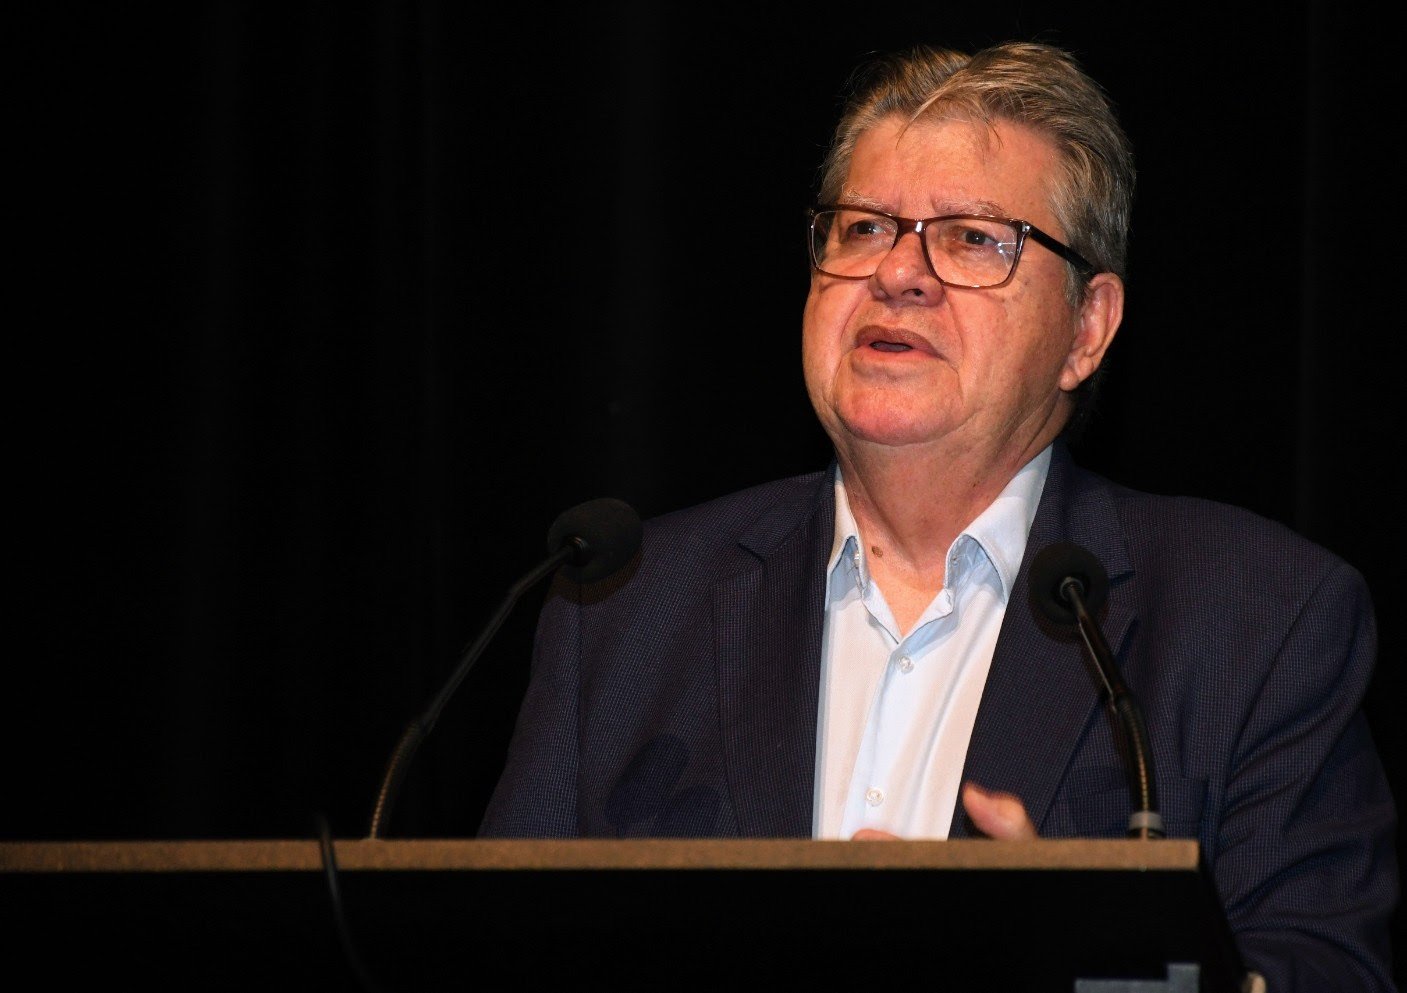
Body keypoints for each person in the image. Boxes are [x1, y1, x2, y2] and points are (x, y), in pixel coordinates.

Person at [478, 40, 1398, 990]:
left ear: (1086, 328)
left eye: (970, 238)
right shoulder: (625, 608)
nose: (898, 274)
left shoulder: (1260, 618)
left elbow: (1322, 970)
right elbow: (490, 953)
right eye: (863, 227)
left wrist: (1093, 962)